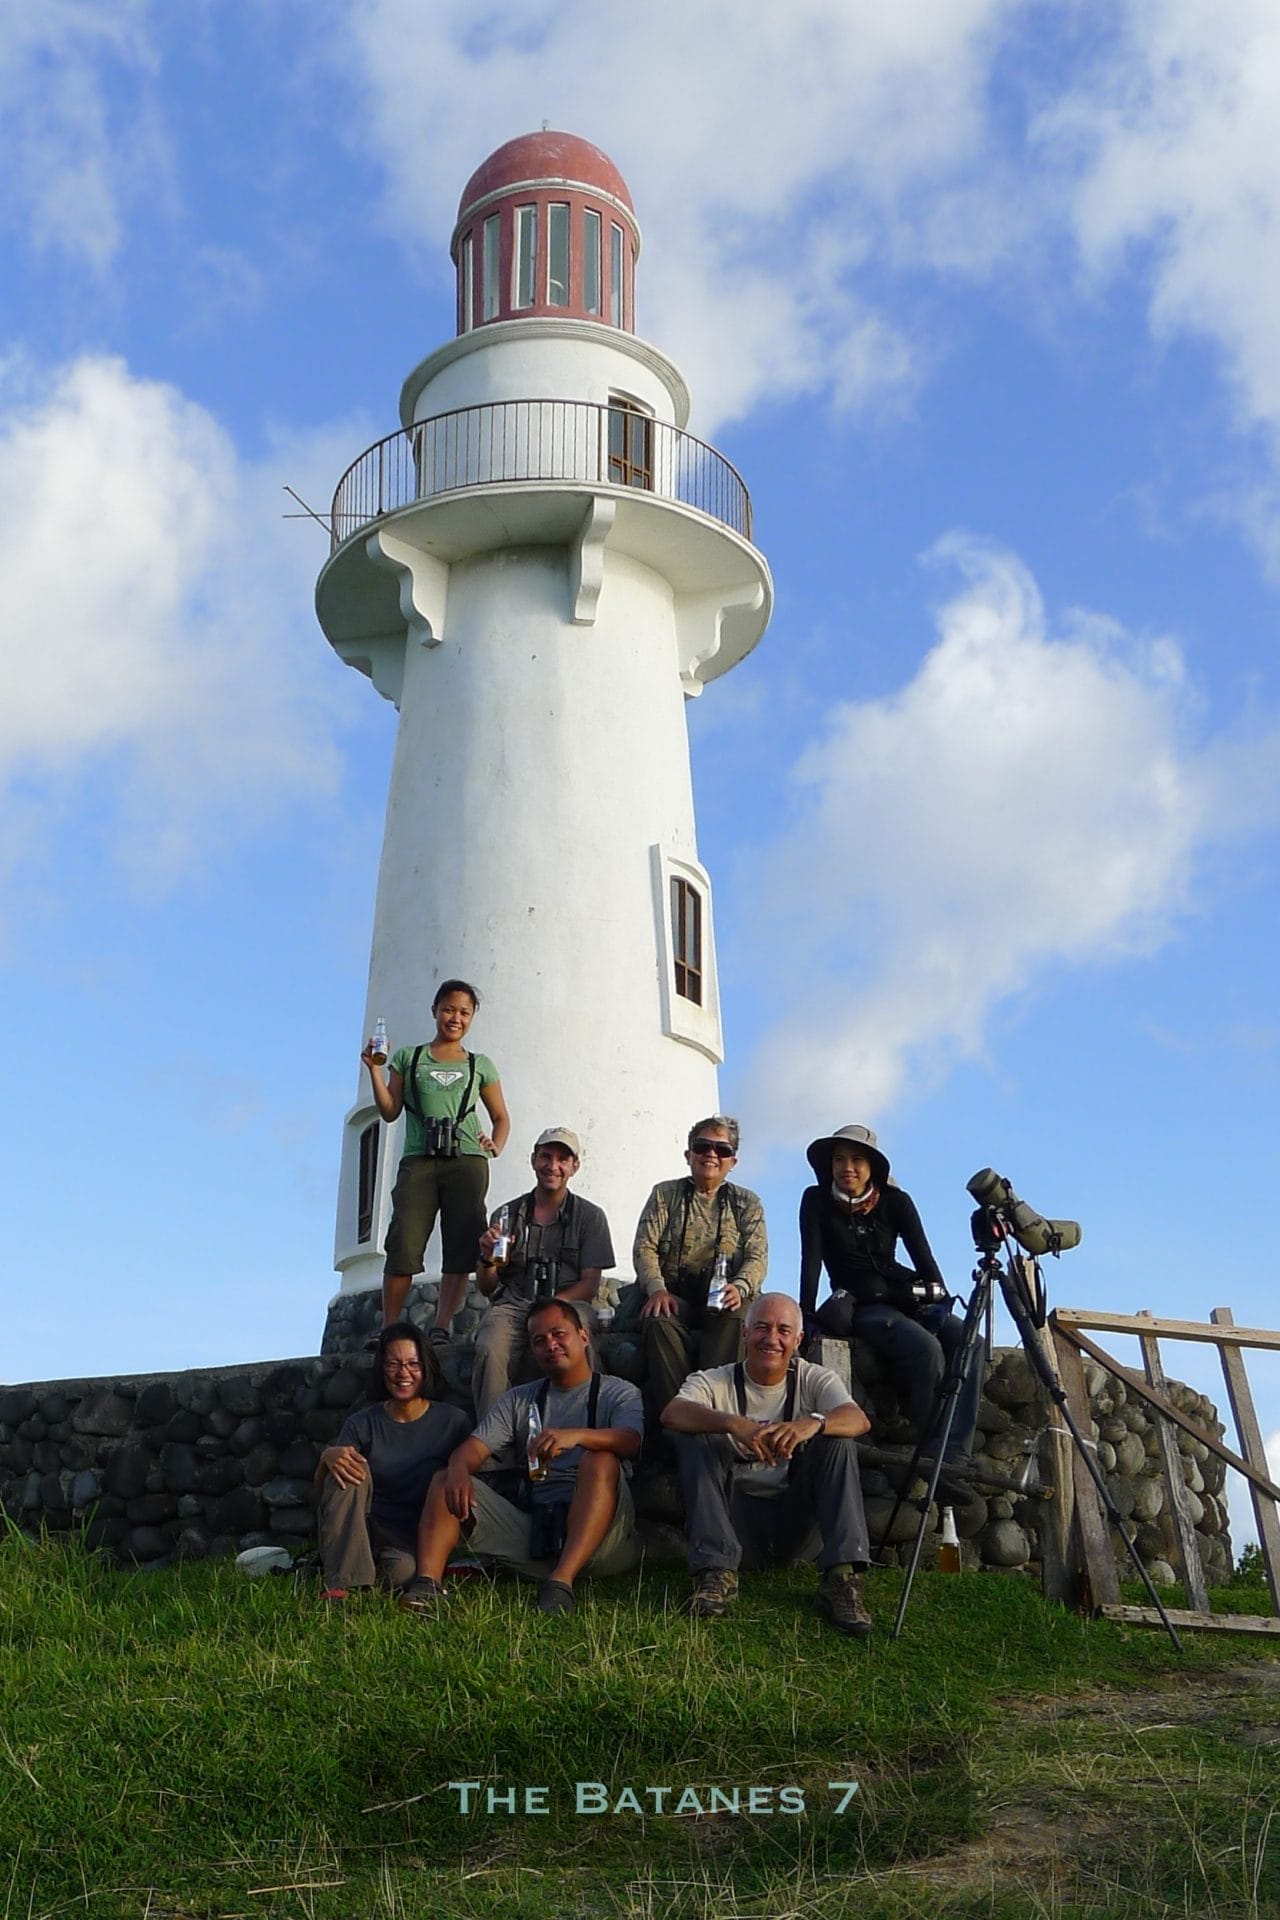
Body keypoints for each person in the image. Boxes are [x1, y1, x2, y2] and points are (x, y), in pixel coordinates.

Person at [403, 1298, 643, 1616]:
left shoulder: (619, 1392)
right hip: (537, 1530)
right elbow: (473, 1449)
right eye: (539, 1341)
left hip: (604, 1542)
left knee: (601, 1461)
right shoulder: (520, 1399)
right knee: (445, 1478)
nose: (551, 1346)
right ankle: (427, 1584)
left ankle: (561, 1585)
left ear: (584, 1336)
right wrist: (459, 1468)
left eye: (559, 1334)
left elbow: (631, 1441)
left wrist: (577, 1436)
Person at [661, 1292, 873, 1636]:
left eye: (783, 1331)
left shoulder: (814, 1378)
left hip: (796, 1523)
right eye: (761, 1328)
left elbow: (858, 1420)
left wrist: (812, 1423)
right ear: (745, 1334)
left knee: (838, 1442)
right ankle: (716, 1572)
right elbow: (672, 1413)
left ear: (798, 1339)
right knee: (695, 1436)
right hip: (734, 1523)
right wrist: (732, 1423)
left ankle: (842, 1578)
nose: (771, 1339)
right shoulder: (714, 1380)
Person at [799, 1124, 983, 1484]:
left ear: (872, 1167)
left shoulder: (897, 1202)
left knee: (969, 1341)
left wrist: (939, 1302)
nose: (846, 1167)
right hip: (863, 1304)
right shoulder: (816, 1200)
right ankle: (934, 1456)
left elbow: (925, 1259)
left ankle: (956, 1451)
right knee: (925, 1348)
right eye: (838, 1159)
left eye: (856, 1159)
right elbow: (811, 1261)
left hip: (905, 1294)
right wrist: (804, 1315)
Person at [361, 979, 510, 1337]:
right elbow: (390, 1111)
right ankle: (390, 1328)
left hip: (467, 1159)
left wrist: (496, 1144)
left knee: (460, 1245)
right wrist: (374, 1071)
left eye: (464, 1012)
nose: (455, 1018)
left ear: (472, 1017)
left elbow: (501, 1116)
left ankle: (441, 1327)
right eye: (448, 1009)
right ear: (434, 1011)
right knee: (404, 1243)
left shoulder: (480, 1064)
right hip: (419, 1158)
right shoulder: (408, 1058)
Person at [314, 1321, 471, 1600]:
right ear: (381, 1369)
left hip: (411, 1538)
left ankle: (346, 1571)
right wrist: (327, 1458)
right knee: (350, 1465)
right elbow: (327, 1492)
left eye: (413, 1364)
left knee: (402, 1573)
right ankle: (342, 1585)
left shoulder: (453, 1422)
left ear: (426, 1368)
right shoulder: (362, 1423)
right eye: (393, 1364)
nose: (403, 1374)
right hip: (363, 1526)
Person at [471, 1126, 615, 1421]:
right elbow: (488, 1287)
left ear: (575, 1166)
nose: (553, 1166)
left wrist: (549, 1308)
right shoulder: (506, 1215)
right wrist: (487, 1260)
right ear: (533, 1160)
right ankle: (494, 1442)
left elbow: (589, 1285)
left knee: (579, 1339)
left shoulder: (591, 1217)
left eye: (563, 1159)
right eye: (546, 1157)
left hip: (568, 1303)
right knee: (489, 1346)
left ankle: (590, 1428)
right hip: (514, 1304)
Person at [633, 1115, 768, 1418]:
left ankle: (720, 1414)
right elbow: (645, 1246)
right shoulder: (664, 1195)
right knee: (658, 1320)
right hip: (674, 1293)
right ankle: (680, 1418)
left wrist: (741, 1286)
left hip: (724, 1297)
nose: (711, 1154)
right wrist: (656, 1289)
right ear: (688, 1154)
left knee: (738, 1320)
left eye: (721, 1150)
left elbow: (757, 1257)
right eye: (702, 1146)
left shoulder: (748, 1203)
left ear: (733, 1160)